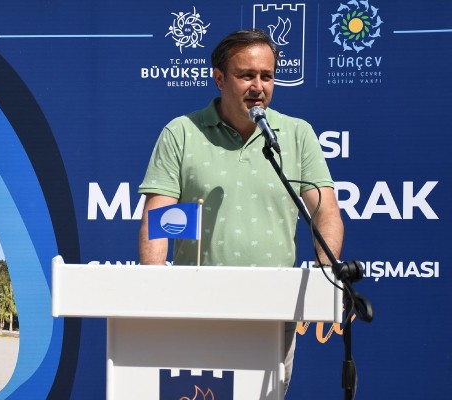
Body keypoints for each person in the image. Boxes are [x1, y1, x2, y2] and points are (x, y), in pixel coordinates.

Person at [137, 29, 344, 395]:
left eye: (267, 76)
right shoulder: (181, 132)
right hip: (197, 310)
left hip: (274, 312)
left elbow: (325, 212)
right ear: (219, 78)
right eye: (246, 75)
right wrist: (156, 290)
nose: (258, 86)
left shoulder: (296, 134)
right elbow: (159, 219)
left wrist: (326, 272)